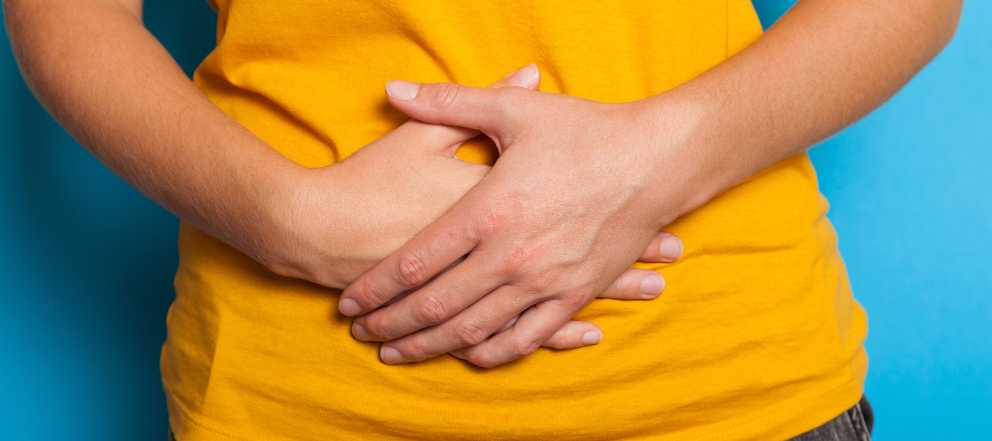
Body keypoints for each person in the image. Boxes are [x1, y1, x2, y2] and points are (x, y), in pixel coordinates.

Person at [5, 0, 960, 440]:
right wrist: (286, 215)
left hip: (724, 392)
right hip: (306, 399)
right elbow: (68, 14)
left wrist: (650, 166)